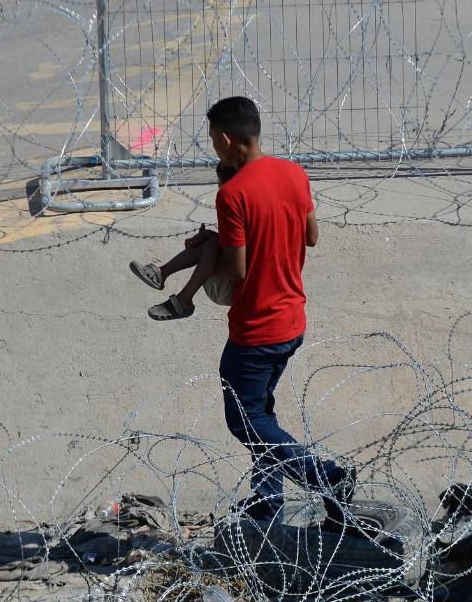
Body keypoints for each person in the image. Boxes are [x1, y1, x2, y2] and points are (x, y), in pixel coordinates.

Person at [201, 95, 354, 523]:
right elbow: (311, 236)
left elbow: (237, 268)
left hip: (255, 329)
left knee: (245, 420)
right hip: (292, 320)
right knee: (262, 414)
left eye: (215, 140)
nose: (215, 148)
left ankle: (326, 476)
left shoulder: (232, 193)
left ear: (229, 140)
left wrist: (207, 254)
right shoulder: (293, 173)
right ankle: (268, 500)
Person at [130, 164, 237, 320]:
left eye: (221, 185)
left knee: (211, 244)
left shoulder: (234, 203)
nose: (220, 189)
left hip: (236, 287)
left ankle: (183, 299)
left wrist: (208, 258)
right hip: (233, 281)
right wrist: (209, 236)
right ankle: (164, 275)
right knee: (211, 241)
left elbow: (239, 266)